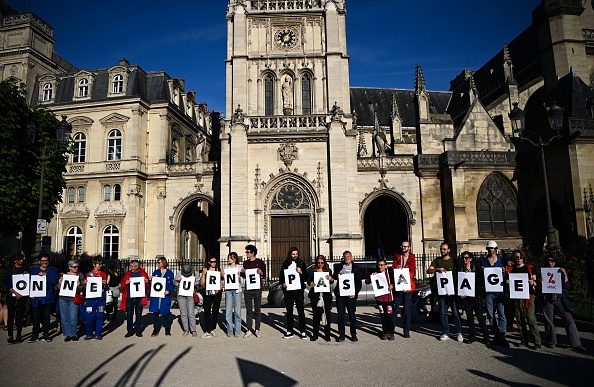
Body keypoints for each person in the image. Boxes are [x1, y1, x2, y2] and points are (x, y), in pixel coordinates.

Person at [541, 254, 586, 352]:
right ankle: (551, 341)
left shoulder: (560, 271)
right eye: (548, 261)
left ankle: (576, 343)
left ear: (555, 261)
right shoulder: (543, 271)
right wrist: (541, 281)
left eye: (552, 261)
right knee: (549, 320)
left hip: (559, 297)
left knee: (569, 319)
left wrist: (565, 275)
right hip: (548, 298)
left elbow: (566, 286)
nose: (550, 263)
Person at [427, 242, 463, 342]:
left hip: (452, 291)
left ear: (448, 250)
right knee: (443, 313)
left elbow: (459, 274)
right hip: (442, 291)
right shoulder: (437, 260)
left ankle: (459, 332)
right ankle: (445, 332)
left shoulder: (453, 261)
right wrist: (436, 269)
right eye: (441, 249)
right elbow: (428, 270)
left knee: (455, 313)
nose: (442, 251)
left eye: (444, 249)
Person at [507, 250, 541, 349]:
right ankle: (524, 340)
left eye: (520, 257)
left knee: (531, 319)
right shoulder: (511, 269)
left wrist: (533, 283)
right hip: (517, 297)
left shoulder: (529, 268)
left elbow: (536, 283)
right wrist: (507, 282)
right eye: (517, 257)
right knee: (519, 320)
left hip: (528, 297)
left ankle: (537, 341)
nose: (519, 259)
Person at [480, 240, 509, 347]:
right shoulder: (483, 260)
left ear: (496, 249)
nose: (490, 250)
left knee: (501, 314)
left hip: (499, 291)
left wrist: (504, 271)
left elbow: (507, 274)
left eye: (492, 248)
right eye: (488, 249)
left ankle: (502, 334)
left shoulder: (502, 260)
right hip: (489, 291)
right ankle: (496, 333)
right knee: (491, 314)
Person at [458, 251, 490, 345]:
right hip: (465, 297)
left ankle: (486, 337)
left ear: (471, 259)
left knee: (480, 316)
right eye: (463, 258)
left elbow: (481, 282)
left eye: (466, 258)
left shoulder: (477, 269)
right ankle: (472, 336)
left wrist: (472, 275)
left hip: (476, 296)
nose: (464, 259)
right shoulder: (460, 269)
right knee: (469, 317)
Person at [279, 247, 308, 339]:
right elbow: (281, 276)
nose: (295, 256)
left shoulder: (301, 263)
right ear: (290, 255)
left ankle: (303, 331)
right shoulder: (285, 264)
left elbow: (306, 277)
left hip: (299, 291)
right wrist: (283, 283)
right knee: (289, 311)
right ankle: (290, 331)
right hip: (289, 291)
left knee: (300, 310)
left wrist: (301, 272)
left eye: (296, 254)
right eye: (293, 254)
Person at [28, 253, 58, 343]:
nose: (45, 262)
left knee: (46, 317)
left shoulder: (52, 270)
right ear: (39, 261)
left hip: (47, 297)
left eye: (46, 260)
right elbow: (29, 283)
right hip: (36, 298)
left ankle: (46, 334)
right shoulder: (34, 271)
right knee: (36, 317)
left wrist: (46, 275)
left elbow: (54, 281)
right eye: (43, 261)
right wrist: (30, 293)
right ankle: (35, 334)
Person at [334, 250, 362, 342]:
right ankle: (341, 335)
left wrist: (355, 293)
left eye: (348, 256)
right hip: (341, 295)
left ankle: (353, 334)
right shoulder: (339, 267)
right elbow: (334, 277)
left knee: (352, 316)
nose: (347, 258)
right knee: (340, 316)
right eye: (345, 256)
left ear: (351, 257)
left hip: (351, 296)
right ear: (343, 257)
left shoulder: (356, 268)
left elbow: (358, 283)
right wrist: (338, 274)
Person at [366, 258, 395, 340]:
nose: (380, 267)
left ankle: (391, 333)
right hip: (380, 299)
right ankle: (385, 332)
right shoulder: (376, 274)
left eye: (382, 265)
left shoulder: (389, 274)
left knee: (389, 316)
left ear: (385, 266)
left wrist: (392, 286)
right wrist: (372, 276)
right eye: (379, 265)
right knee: (383, 316)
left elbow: (396, 282)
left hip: (389, 299)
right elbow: (367, 282)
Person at [391, 241, 415, 338]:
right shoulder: (397, 257)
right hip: (397, 287)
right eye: (402, 246)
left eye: (405, 246)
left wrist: (406, 286)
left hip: (407, 288)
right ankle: (392, 330)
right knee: (394, 309)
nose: (403, 248)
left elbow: (412, 272)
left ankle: (406, 331)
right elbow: (392, 269)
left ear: (409, 248)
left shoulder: (412, 258)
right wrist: (396, 268)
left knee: (407, 310)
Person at [241, 244, 266, 338]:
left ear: (253, 253)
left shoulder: (260, 262)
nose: (246, 253)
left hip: (257, 288)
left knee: (257, 310)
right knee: (248, 310)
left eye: (248, 252)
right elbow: (245, 277)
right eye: (246, 252)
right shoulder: (245, 263)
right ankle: (248, 329)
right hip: (248, 288)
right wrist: (243, 273)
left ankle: (257, 329)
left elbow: (264, 275)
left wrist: (261, 272)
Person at [119, 260, 149, 337]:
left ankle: (138, 331)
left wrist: (146, 282)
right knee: (129, 315)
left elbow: (148, 286)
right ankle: (130, 330)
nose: (130, 267)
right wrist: (125, 283)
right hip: (129, 297)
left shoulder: (143, 273)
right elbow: (122, 286)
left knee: (138, 315)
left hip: (139, 297)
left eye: (132, 266)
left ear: (137, 266)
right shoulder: (128, 274)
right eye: (130, 266)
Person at [4, 254, 29, 344]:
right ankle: (10, 335)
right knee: (11, 316)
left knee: (19, 315)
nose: (21, 261)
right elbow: (7, 283)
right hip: (12, 295)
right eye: (19, 259)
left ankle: (19, 335)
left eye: (22, 259)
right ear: (15, 260)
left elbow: (28, 281)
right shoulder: (9, 269)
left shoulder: (25, 268)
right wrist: (15, 293)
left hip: (22, 295)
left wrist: (27, 275)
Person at [308, 255, 333, 342]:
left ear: (324, 263)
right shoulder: (312, 270)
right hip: (315, 295)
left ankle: (327, 335)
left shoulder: (328, 271)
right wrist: (311, 283)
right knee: (316, 315)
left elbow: (332, 280)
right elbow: (308, 280)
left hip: (326, 295)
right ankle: (315, 335)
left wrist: (330, 278)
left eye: (322, 263)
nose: (320, 264)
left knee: (327, 315)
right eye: (318, 263)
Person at [58, 259, 84, 342]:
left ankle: (73, 333)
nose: (76, 268)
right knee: (64, 317)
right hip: (63, 298)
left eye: (77, 267)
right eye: (74, 267)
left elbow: (83, 288)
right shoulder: (63, 275)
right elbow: (57, 287)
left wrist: (79, 285)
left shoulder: (80, 275)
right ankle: (66, 334)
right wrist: (59, 283)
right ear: (69, 267)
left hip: (74, 298)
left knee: (73, 317)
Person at [149, 257, 175, 337]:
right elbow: (153, 284)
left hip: (165, 296)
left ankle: (167, 329)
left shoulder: (169, 273)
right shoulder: (156, 272)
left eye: (159, 262)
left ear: (163, 263)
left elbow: (172, 284)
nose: (157, 264)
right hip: (156, 296)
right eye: (157, 262)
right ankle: (156, 329)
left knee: (166, 313)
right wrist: (151, 280)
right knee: (155, 313)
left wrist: (168, 290)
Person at [84, 258, 108, 340]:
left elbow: (106, 287)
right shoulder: (88, 275)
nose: (100, 266)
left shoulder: (103, 274)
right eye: (99, 264)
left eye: (101, 264)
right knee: (89, 316)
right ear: (94, 264)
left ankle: (98, 333)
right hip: (91, 298)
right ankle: (89, 333)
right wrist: (84, 284)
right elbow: (86, 287)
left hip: (101, 297)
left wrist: (105, 284)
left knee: (100, 315)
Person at [200, 257, 223, 338]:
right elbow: (202, 283)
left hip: (217, 292)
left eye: (215, 262)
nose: (214, 263)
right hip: (208, 292)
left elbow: (222, 281)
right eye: (212, 262)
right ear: (209, 262)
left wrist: (219, 289)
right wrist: (203, 274)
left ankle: (213, 328)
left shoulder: (219, 270)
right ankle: (207, 329)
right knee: (207, 310)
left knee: (215, 310)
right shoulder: (205, 270)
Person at [175, 264, 198, 337]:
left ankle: (193, 330)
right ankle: (186, 329)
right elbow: (174, 283)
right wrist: (177, 280)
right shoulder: (179, 273)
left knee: (191, 313)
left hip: (190, 294)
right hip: (181, 295)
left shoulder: (194, 273)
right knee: (183, 313)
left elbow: (199, 282)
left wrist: (196, 283)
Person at [224, 252, 243, 337]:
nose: (228, 259)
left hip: (237, 290)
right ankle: (229, 330)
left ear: (234, 259)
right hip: (228, 290)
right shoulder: (226, 268)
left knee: (237, 311)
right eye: (228, 258)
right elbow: (224, 281)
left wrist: (239, 278)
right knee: (228, 311)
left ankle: (238, 330)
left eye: (230, 258)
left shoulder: (239, 268)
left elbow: (243, 282)